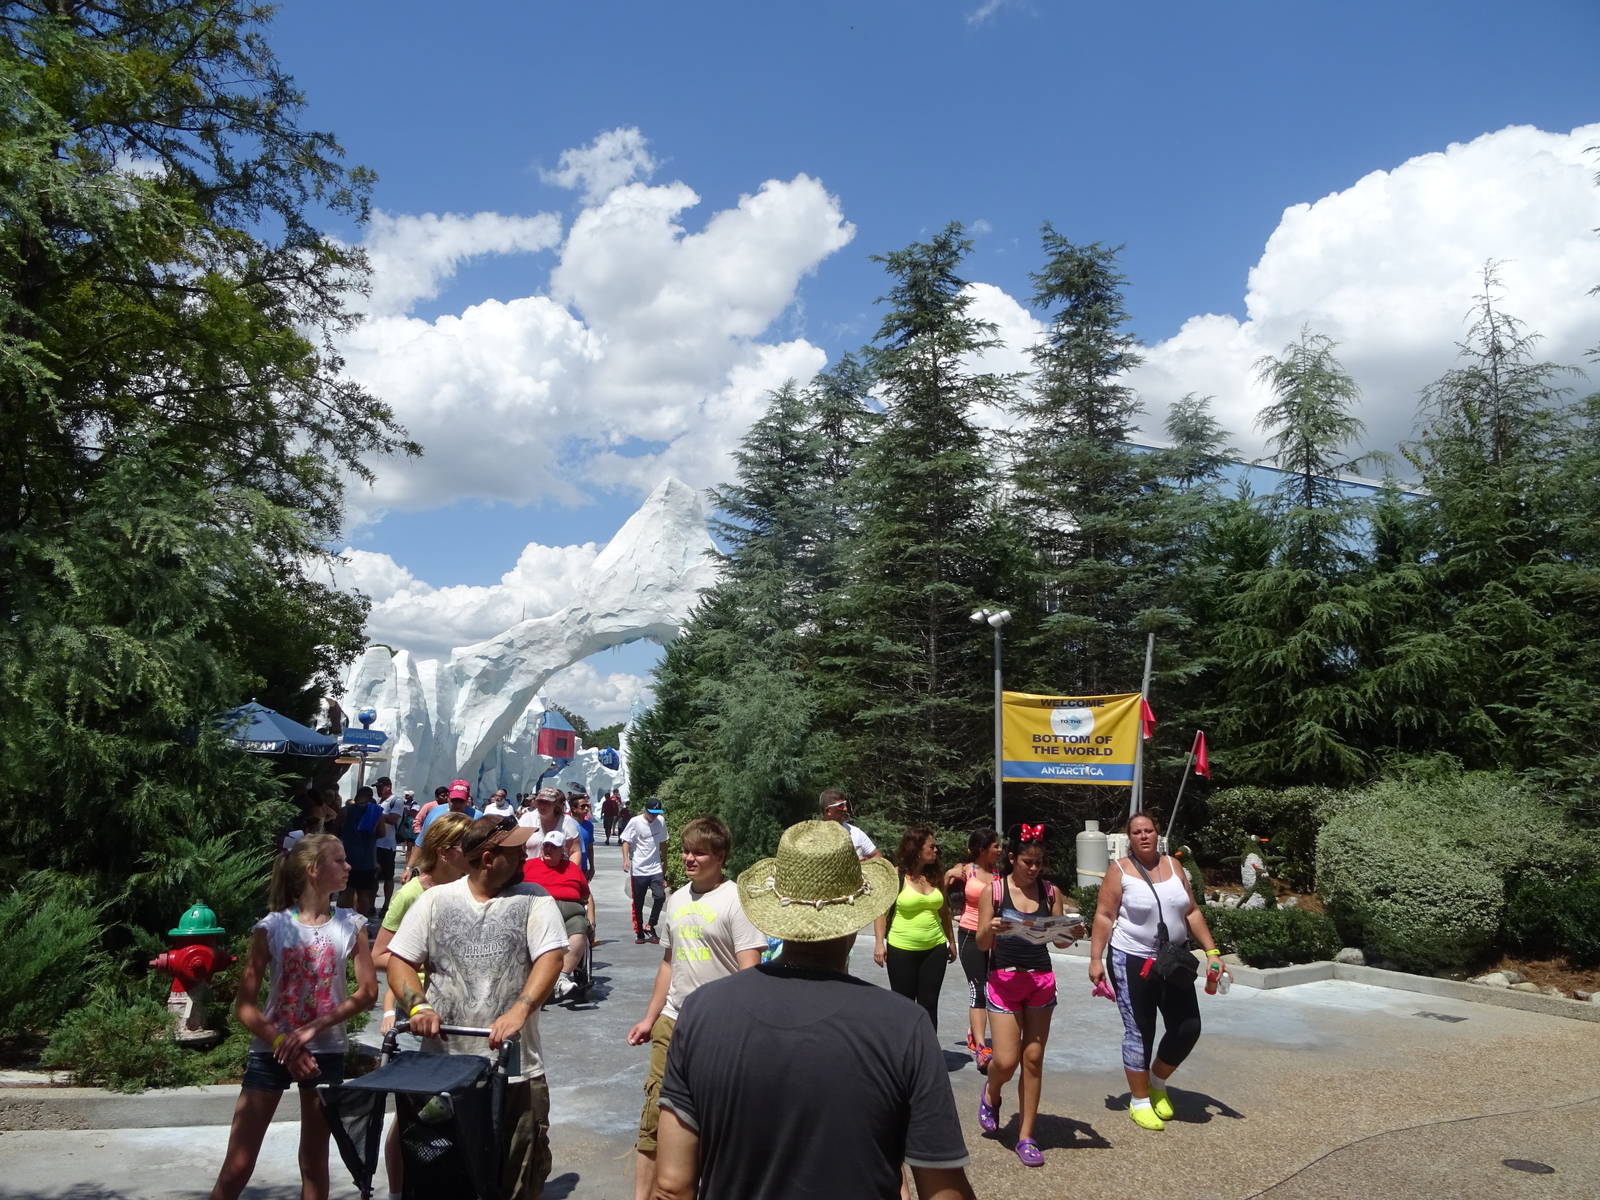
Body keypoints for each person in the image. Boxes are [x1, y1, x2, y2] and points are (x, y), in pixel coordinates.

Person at [652, 820, 974, 1200]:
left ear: (776, 912)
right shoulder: (904, 1026)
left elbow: (672, 1186)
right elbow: (943, 1190)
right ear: (855, 919)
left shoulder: (702, 1012)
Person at [386, 815, 569, 1200]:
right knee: (446, 1177)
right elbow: (400, 961)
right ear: (487, 859)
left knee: (518, 1177)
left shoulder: (535, 898)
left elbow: (551, 958)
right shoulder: (436, 901)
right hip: (446, 1069)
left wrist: (520, 1010)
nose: (524, 856)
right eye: (514, 851)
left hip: (517, 1069)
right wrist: (418, 1008)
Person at [209, 835, 377, 1200]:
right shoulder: (271, 927)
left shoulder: (351, 924)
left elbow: (367, 993)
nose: (348, 867)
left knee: (314, 1163)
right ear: (312, 869)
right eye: (339, 860)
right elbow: (246, 1006)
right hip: (270, 1053)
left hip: (325, 1054)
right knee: (237, 1164)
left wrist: (312, 1031)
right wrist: (284, 1042)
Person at [625, 816, 765, 1200]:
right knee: (654, 1116)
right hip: (673, 1022)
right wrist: (650, 1018)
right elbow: (670, 963)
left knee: (717, 1120)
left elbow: (749, 969)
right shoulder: (676, 899)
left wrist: (743, 1026)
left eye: (698, 852)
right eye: (686, 850)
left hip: (721, 1027)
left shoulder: (737, 900)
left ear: (720, 856)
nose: (688, 858)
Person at [1089, 810, 1229, 1132]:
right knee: (1141, 1030)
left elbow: (1191, 911)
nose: (1143, 836)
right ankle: (1139, 1101)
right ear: (1130, 838)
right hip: (1132, 961)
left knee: (1187, 1027)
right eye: (1137, 832)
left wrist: (1212, 951)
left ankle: (1156, 1081)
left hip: (1173, 960)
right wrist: (1096, 958)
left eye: (1149, 830)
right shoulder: (1119, 871)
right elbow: (1104, 916)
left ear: (1158, 833)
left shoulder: (1174, 866)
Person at [370, 810, 472, 1200]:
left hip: (459, 1015)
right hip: (419, 1015)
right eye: (468, 846)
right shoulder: (413, 893)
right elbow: (381, 955)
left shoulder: (470, 889)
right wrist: (421, 962)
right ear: (446, 852)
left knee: (457, 1110)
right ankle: (398, 1191)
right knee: (412, 1115)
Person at [974, 827, 1084, 1169]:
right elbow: (979, 943)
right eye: (1027, 862)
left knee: (1033, 1059)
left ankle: (1026, 1136)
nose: (1034, 869)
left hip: (1040, 980)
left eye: (1038, 863)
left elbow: (1059, 941)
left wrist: (1071, 932)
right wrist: (989, 930)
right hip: (1004, 981)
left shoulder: (1051, 892)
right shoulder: (993, 891)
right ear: (1012, 859)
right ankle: (993, 1092)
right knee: (1006, 1061)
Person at [872, 826, 957, 1034]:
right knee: (904, 1005)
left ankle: (927, 1055)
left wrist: (951, 941)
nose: (936, 850)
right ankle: (903, 1056)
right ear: (917, 849)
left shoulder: (936, 876)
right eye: (932, 846)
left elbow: (944, 912)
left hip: (935, 948)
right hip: (902, 948)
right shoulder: (897, 875)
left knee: (929, 1005)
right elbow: (881, 912)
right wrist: (879, 942)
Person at [944, 828, 1001, 1071]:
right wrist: (949, 874)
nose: (1000, 850)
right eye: (995, 846)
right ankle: (980, 1045)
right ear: (982, 850)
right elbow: (941, 892)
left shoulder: (1002, 873)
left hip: (997, 938)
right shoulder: (968, 871)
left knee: (996, 988)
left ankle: (986, 1034)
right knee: (978, 988)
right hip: (969, 934)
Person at [522, 829, 595, 1001]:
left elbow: (587, 896)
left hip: (571, 913)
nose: (548, 849)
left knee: (579, 926)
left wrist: (592, 920)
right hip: (540, 911)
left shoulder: (572, 869)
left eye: (553, 847)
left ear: (562, 850)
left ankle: (561, 978)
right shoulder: (529, 866)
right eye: (546, 846)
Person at [620, 799, 670, 944]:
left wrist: (665, 861)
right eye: (651, 813)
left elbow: (663, 843)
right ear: (645, 810)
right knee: (638, 903)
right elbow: (626, 842)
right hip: (639, 869)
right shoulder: (635, 822)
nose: (654, 816)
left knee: (660, 897)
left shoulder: (660, 821)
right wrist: (625, 860)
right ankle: (640, 931)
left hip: (655, 868)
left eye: (656, 813)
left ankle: (651, 925)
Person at [337, 785, 384, 917]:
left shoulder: (345, 810)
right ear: (371, 798)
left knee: (346, 891)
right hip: (367, 859)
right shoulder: (376, 812)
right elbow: (382, 832)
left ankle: (342, 920)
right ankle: (360, 921)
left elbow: (335, 832)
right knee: (363, 893)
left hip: (347, 857)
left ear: (357, 796)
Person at [519, 785, 581, 860]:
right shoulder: (527, 818)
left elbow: (574, 851)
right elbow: (517, 848)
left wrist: (572, 871)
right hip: (530, 869)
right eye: (540, 801)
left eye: (547, 802)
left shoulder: (566, 821)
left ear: (555, 804)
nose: (542, 806)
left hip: (558, 870)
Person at [818, 787, 881, 859]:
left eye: (845, 804)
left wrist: (865, 864)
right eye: (841, 806)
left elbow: (877, 856)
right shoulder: (813, 836)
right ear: (828, 811)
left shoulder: (856, 833)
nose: (845, 809)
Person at [372, 777, 403, 913]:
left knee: (388, 877)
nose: (378, 790)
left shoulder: (396, 801)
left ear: (388, 787)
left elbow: (392, 819)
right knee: (373, 876)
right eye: (377, 787)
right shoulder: (381, 802)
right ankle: (371, 905)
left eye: (380, 787)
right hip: (375, 844)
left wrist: (375, 813)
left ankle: (386, 905)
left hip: (387, 844)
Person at [571, 793, 596, 879]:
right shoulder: (567, 824)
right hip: (569, 868)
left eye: (587, 806)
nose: (586, 808)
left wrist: (592, 867)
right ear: (574, 809)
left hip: (583, 868)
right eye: (583, 806)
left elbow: (590, 848)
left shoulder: (589, 826)